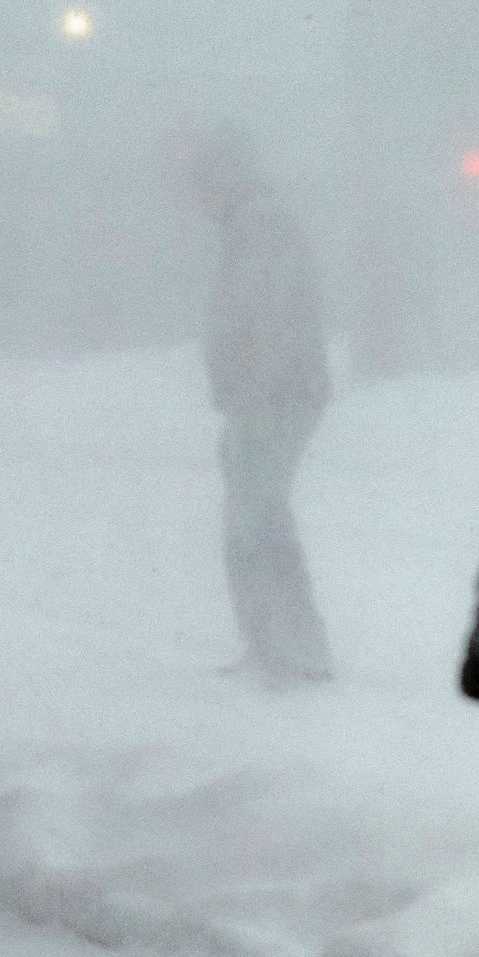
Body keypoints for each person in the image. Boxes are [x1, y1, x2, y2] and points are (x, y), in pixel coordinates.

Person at [186, 128, 334, 683]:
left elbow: (268, 316)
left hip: (271, 399)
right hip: (264, 397)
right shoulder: (251, 227)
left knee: (258, 522)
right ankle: (275, 645)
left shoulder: (261, 229)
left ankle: (294, 648)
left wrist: (257, 393)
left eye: (206, 186)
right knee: (252, 519)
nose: (201, 201)